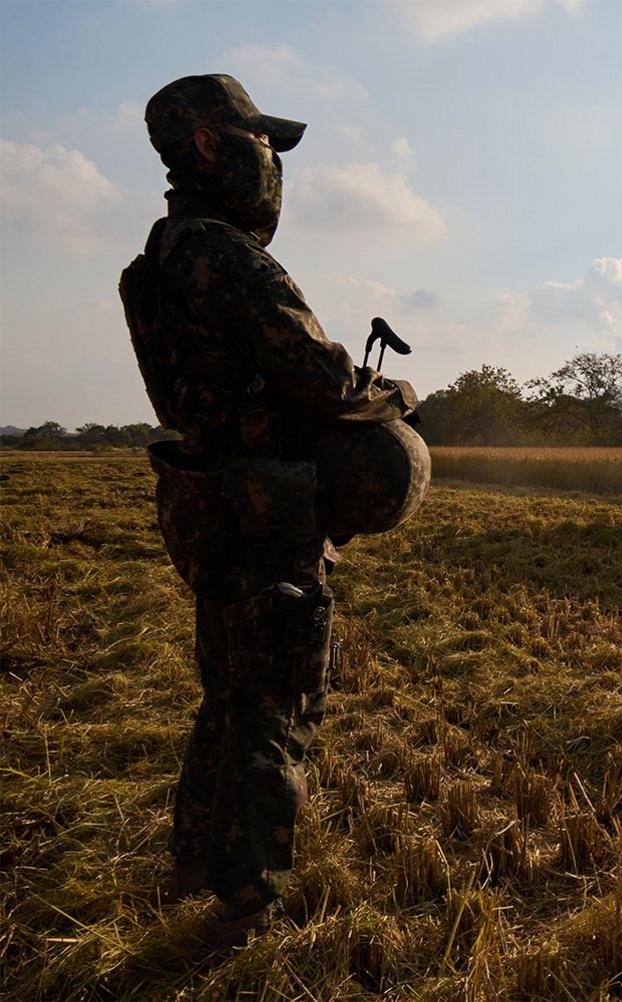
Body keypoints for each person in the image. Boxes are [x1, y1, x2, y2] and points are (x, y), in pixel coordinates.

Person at [120, 74, 418, 949]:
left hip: (206, 507)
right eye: (260, 143)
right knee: (276, 703)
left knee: (226, 691)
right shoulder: (228, 256)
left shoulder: (156, 262)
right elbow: (325, 382)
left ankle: (189, 864)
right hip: (267, 515)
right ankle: (245, 904)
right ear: (211, 146)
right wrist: (393, 392)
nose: (271, 163)